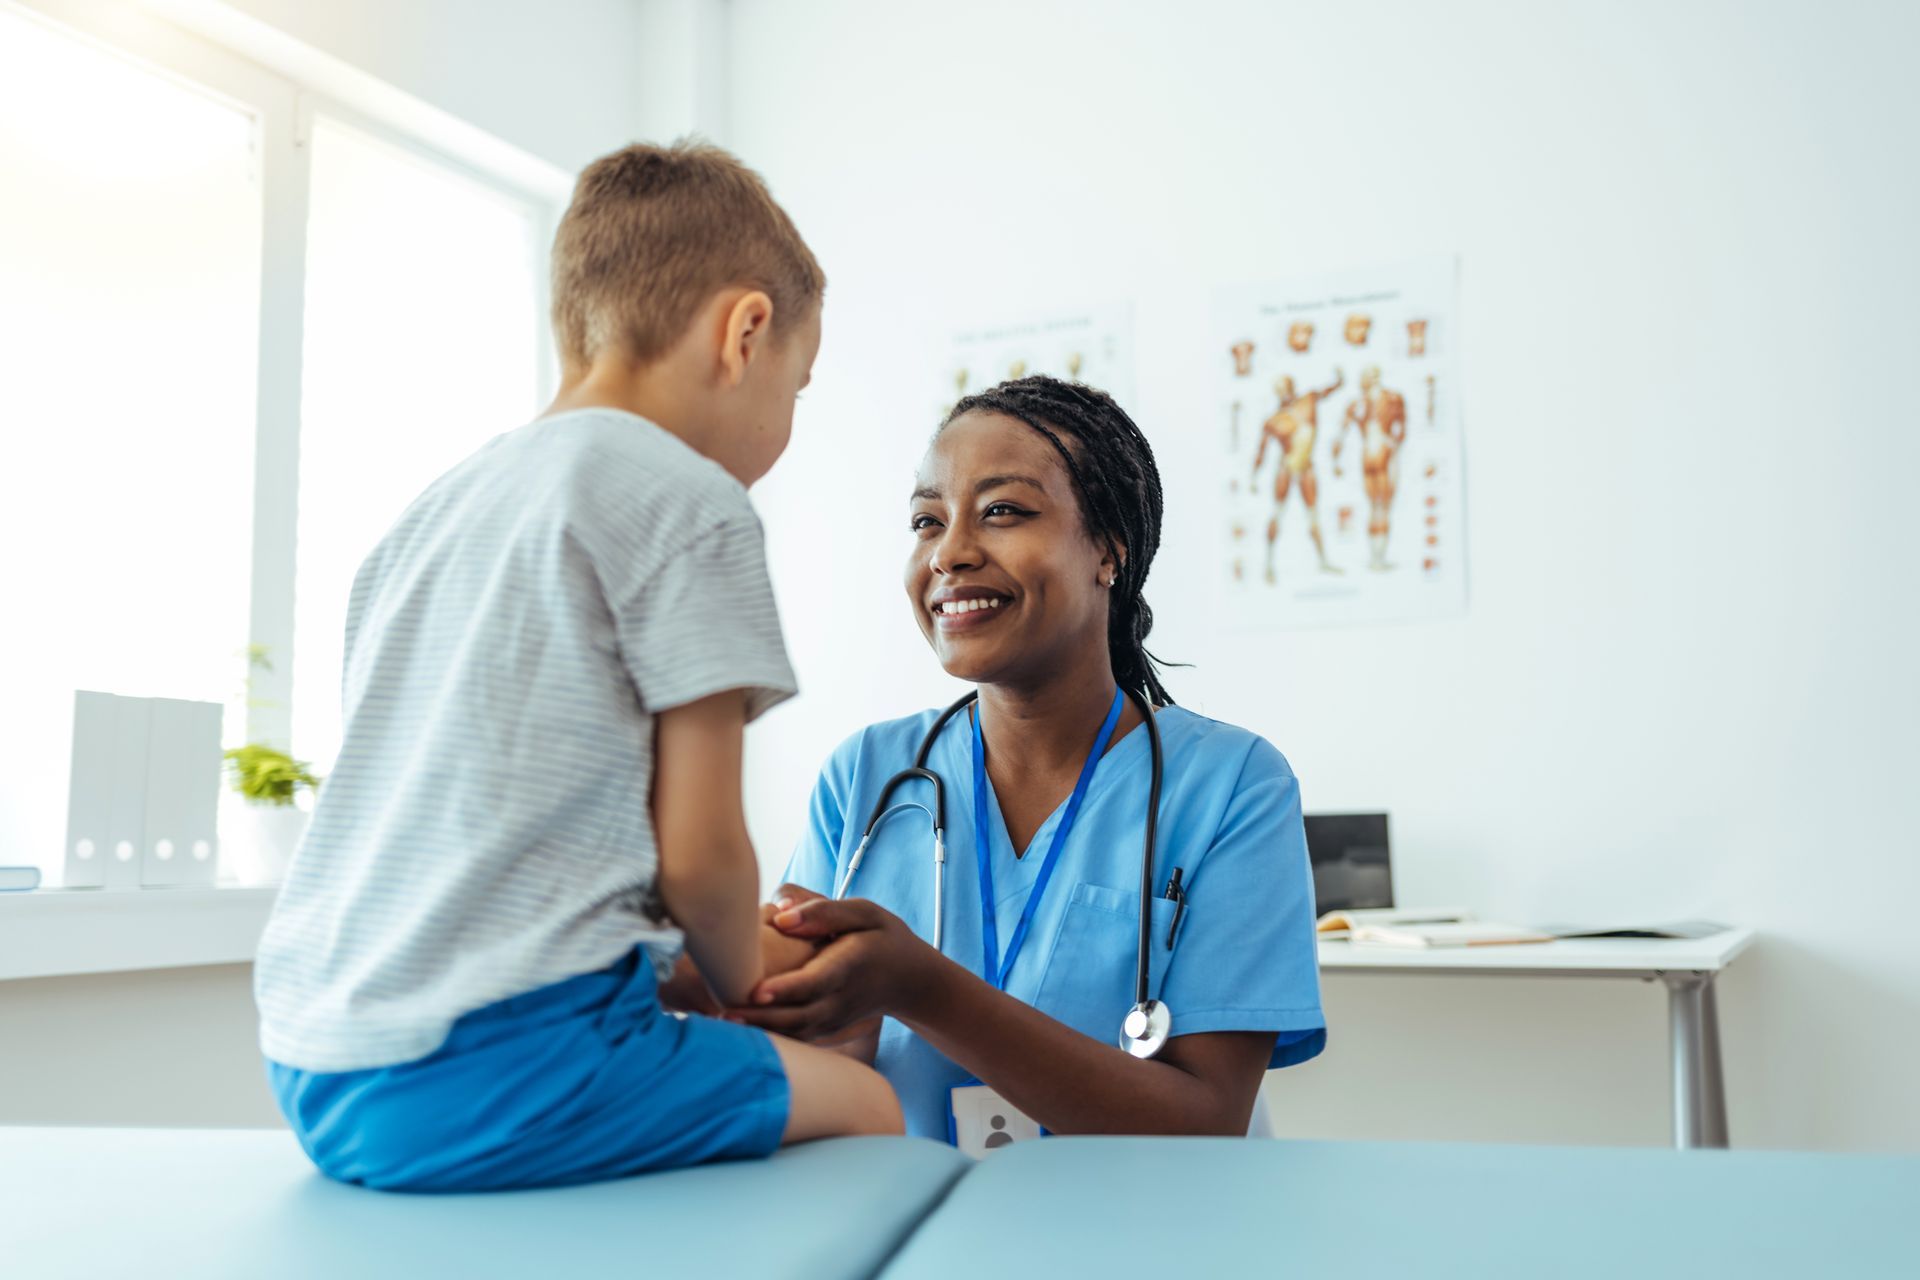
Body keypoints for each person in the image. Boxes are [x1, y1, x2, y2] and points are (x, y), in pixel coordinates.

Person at [251, 141, 901, 1193]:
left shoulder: (432, 513)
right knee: (867, 1103)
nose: (788, 422)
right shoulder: (689, 501)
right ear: (746, 333)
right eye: (800, 384)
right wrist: (747, 985)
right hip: (496, 1061)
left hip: (316, 1061)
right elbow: (701, 856)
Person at [731, 376, 1326, 1142]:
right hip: (913, 1228)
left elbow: (1207, 1119)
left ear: (1109, 548)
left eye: (1003, 511)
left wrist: (925, 989)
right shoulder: (868, 775)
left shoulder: (1232, 785)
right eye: (926, 521)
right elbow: (807, 1048)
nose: (950, 553)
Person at [1253, 370, 1345, 579]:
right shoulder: (1274, 421)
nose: (1284, 392)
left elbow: (1326, 392)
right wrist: (1254, 477)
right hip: (1286, 468)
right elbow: (1261, 451)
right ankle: (1268, 564)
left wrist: (1339, 382)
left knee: (1313, 515)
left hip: (1305, 467)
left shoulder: (1308, 401)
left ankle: (1323, 561)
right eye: (1280, 389)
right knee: (1277, 512)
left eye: (1286, 387)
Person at [1333, 364, 1408, 571]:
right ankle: (1377, 558)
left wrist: (1395, 443)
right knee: (1380, 507)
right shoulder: (1363, 402)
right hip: (1377, 453)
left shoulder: (1389, 399)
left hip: (1375, 450)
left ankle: (1377, 557)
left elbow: (1401, 428)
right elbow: (1340, 433)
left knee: (1378, 508)